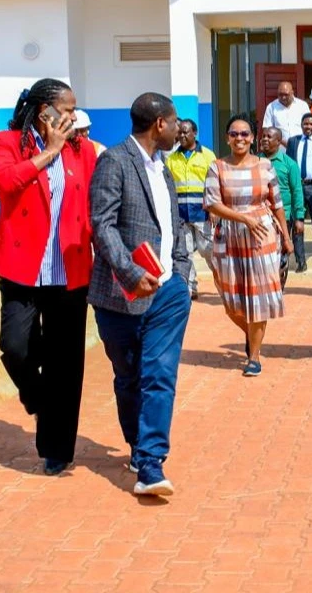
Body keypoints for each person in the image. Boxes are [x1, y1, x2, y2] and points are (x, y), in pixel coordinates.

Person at [0, 78, 97, 477]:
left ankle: (57, 449)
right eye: (65, 110)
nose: (71, 117)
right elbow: (5, 182)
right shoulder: (5, 142)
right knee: (14, 346)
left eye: (73, 110)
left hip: (70, 268)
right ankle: (36, 397)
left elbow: (92, 205)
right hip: (21, 268)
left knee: (65, 363)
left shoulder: (82, 152)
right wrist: (48, 152)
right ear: (42, 110)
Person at [89, 92, 193, 497]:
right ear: (159, 125)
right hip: (121, 296)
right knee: (128, 376)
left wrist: (181, 274)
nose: (180, 128)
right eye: (175, 121)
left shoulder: (162, 167)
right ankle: (137, 445)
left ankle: (151, 463)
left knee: (159, 375)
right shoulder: (114, 162)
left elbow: (173, 225)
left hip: (168, 292)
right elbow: (102, 224)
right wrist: (130, 274)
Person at [205, 115, 294, 377]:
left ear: (253, 138)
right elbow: (212, 203)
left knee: (257, 298)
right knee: (230, 298)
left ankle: (253, 356)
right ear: (227, 138)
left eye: (245, 134)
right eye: (234, 134)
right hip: (229, 235)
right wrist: (243, 217)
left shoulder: (265, 165)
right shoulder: (217, 167)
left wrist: (287, 238)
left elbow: (277, 203)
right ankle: (251, 333)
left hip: (262, 235)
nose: (240, 138)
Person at [167, 119, 217, 300]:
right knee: (185, 252)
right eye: (179, 132)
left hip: (202, 212)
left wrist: (213, 207)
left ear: (194, 133)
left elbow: (214, 183)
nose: (181, 136)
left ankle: (221, 280)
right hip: (181, 214)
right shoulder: (172, 159)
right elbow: (169, 186)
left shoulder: (207, 155)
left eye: (185, 132)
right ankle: (190, 287)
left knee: (207, 249)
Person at [259, 127, 305, 286]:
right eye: (263, 136)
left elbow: (297, 191)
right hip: (260, 218)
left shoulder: (289, 164)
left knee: (280, 257)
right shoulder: (254, 161)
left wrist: (299, 217)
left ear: (279, 142)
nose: (264, 139)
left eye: (269, 137)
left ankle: (279, 286)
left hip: (282, 218)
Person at [285, 113, 312, 266]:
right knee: (297, 221)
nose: (308, 127)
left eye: (311, 124)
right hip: (296, 187)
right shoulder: (293, 142)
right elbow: (288, 164)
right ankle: (300, 260)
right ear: (301, 125)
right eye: (305, 124)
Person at [262, 81, 310, 149]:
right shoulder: (271, 107)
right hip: (280, 149)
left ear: (292, 93)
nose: (283, 97)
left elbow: (309, 125)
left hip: (301, 147)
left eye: (286, 94)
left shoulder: (302, 105)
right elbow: (267, 129)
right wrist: (282, 142)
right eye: (280, 94)